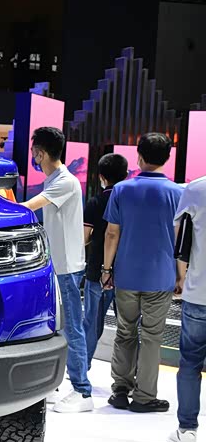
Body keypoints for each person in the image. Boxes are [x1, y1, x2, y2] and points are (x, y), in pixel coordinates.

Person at [102, 133, 183, 412]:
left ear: (139, 156)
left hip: (126, 274)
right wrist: (181, 275)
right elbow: (179, 240)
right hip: (161, 275)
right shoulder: (177, 193)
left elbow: (112, 233)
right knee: (151, 337)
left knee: (124, 331)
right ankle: (144, 397)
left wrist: (106, 269)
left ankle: (120, 390)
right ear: (168, 158)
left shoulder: (121, 189)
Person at [20, 127, 91, 413]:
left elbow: (29, 206)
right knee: (58, 327)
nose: (33, 157)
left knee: (72, 328)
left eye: (34, 152)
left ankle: (83, 391)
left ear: (41, 153)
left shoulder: (65, 182)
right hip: (56, 266)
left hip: (67, 268)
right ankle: (56, 384)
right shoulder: (54, 180)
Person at [83, 154, 128, 369]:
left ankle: (82, 368)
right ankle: (129, 372)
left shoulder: (96, 201)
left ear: (101, 176)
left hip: (97, 270)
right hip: (127, 272)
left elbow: (84, 238)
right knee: (128, 326)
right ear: (126, 174)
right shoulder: (130, 202)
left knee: (92, 323)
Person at [170, 177, 206, 442]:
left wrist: (180, 277)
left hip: (199, 292)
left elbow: (179, 237)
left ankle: (187, 430)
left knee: (191, 363)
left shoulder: (196, 188)